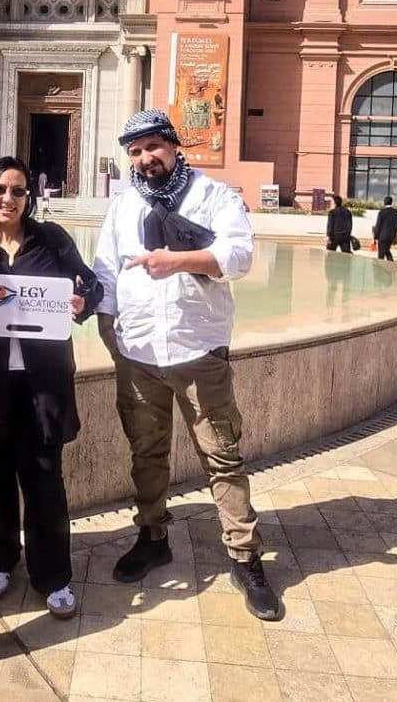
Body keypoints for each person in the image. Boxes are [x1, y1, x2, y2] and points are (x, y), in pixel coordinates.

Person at [93, 110, 282, 622]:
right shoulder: (124, 203)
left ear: (174, 146)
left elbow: (239, 256)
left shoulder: (213, 195)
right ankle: (152, 536)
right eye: (134, 151)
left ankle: (245, 558)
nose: (144, 158)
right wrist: (108, 327)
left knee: (222, 455)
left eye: (152, 146)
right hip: (138, 354)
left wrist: (175, 261)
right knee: (146, 452)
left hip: (199, 351)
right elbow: (106, 269)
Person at [0, 156, 103, 620]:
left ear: (29, 197)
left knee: (44, 481)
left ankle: (53, 576)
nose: (7, 199)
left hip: (42, 385)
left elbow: (90, 286)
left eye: (17, 190)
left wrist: (80, 302)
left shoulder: (51, 241)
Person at [374, 196, 397, 261]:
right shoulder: (396, 213)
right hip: (391, 236)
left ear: (384, 202)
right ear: (391, 202)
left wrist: (375, 236)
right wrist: (396, 237)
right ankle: (391, 265)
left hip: (382, 236)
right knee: (386, 250)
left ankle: (381, 268)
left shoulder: (382, 212)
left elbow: (378, 225)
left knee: (381, 254)